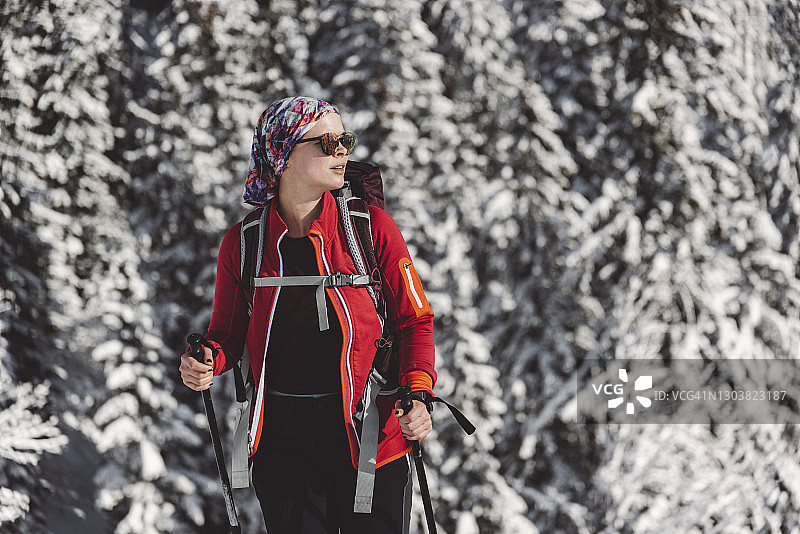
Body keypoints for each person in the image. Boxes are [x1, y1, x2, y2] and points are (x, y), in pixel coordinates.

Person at [179, 96, 437, 534]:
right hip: (284, 446)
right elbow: (226, 333)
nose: (342, 152)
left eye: (345, 140)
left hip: (372, 436)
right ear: (282, 155)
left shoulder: (370, 229)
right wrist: (207, 360)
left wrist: (418, 390)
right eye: (326, 142)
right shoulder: (244, 244)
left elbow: (415, 320)